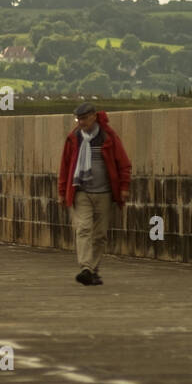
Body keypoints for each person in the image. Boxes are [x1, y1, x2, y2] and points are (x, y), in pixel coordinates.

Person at [58, 103, 132, 285]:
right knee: (83, 229)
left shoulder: (108, 136)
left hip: (105, 192)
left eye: (83, 118)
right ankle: (85, 267)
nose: (80, 122)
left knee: (99, 235)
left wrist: (123, 187)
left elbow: (123, 164)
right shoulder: (74, 138)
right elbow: (65, 167)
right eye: (78, 119)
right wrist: (61, 191)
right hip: (80, 191)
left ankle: (92, 269)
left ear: (93, 117)